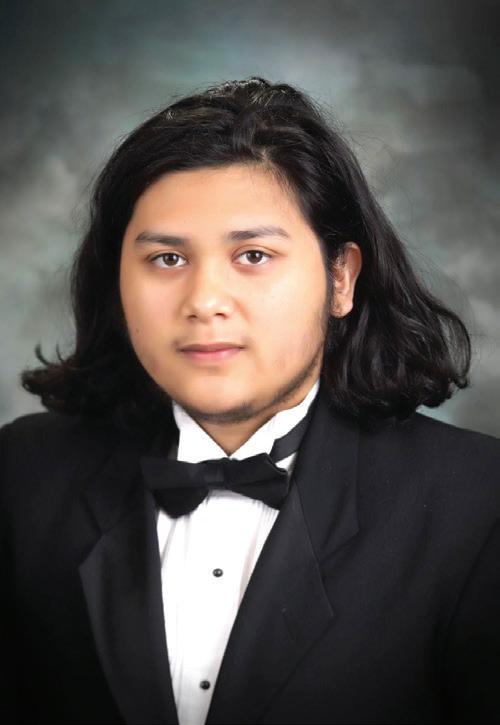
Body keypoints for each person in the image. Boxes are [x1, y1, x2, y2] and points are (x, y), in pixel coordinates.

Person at [1, 76, 499, 725]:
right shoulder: (23, 474)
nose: (205, 301)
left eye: (254, 255)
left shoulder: (479, 502)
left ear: (341, 278)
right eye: (167, 259)